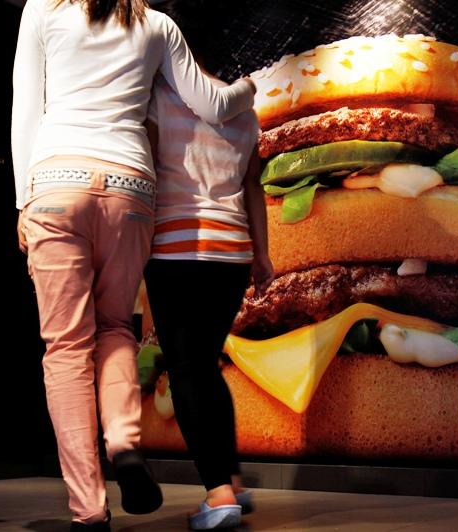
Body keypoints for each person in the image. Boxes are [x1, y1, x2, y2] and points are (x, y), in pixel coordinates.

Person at [11, 0, 256, 530]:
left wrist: (22, 201)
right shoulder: (157, 23)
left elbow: (26, 108)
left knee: (66, 348)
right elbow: (213, 104)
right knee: (117, 326)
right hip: (130, 188)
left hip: (57, 180)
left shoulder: (42, 9)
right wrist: (249, 87)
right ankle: (123, 443)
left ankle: (89, 508)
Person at [142, 1, 273, 529]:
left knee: (188, 369)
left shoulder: (158, 97)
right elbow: (252, 187)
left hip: (175, 249)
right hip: (233, 253)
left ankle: (218, 495)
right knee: (208, 364)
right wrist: (262, 255)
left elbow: (147, 177)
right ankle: (233, 484)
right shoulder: (244, 110)